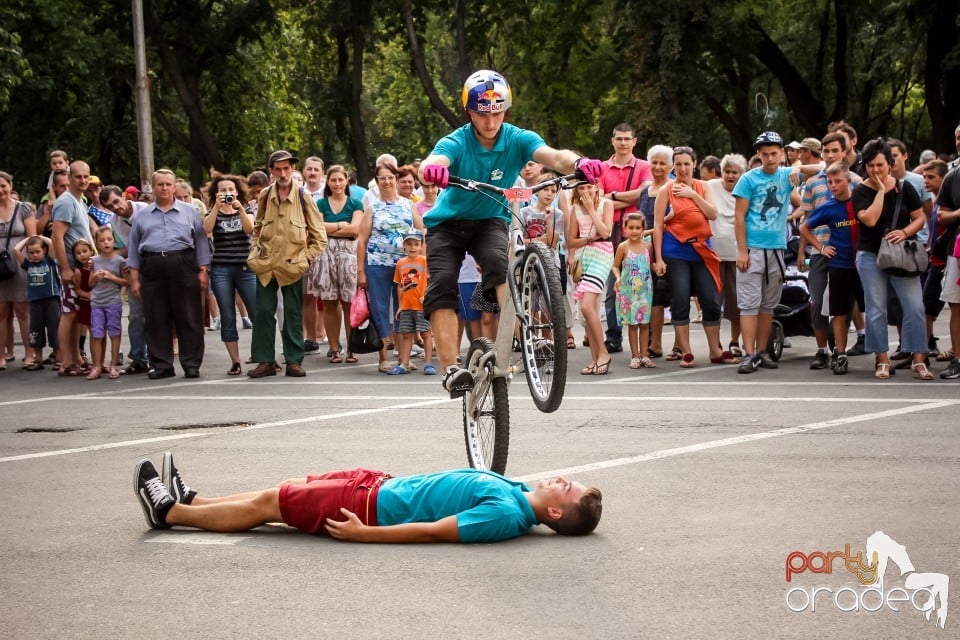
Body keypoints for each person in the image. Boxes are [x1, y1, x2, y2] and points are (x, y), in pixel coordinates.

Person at [417, 70, 604, 396]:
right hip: (446, 225)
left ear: (506, 112)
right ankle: (450, 368)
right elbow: (435, 160)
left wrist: (580, 163)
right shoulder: (457, 141)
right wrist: (432, 170)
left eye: (497, 113)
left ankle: (518, 340)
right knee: (443, 282)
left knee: (498, 264)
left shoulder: (518, 138)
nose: (490, 122)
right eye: (482, 114)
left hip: (489, 219)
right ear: (469, 113)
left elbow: (555, 156)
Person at [134, 452, 603, 542]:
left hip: (367, 507)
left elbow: (436, 531)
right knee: (282, 490)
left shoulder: (505, 516)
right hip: (375, 484)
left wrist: (365, 535)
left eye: (565, 487)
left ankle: (169, 512)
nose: (560, 478)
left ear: (556, 511)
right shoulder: (520, 493)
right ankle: (196, 501)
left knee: (271, 505)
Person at [851, 138, 929, 380]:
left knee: (915, 306)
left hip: (901, 255)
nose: (876, 170)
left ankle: (918, 359)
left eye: (881, 165)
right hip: (870, 255)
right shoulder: (861, 191)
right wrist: (882, 191)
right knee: (876, 309)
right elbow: (870, 220)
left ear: (890, 164)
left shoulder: (906, 188)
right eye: (871, 165)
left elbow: (920, 218)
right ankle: (881, 359)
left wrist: (905, 232)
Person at [247, 151, 327, 379]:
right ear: (271, 171)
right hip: (266, 263)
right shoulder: (264, 195)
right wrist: (255, 251)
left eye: (286, 169)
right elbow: (257, 227)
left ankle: (293, 361)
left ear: (292, 169)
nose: (282, 173)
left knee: (292, 313)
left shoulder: (304, 196)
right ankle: (265, 361)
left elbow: (319, 236)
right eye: (278, 169)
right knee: (263, 312)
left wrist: (306, 259)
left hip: (292, 264)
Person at [127, 169, 212, 380]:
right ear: (153, 187)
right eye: (160, 184)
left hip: (183, 264)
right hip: (152, 266)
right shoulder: (142, 215)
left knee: (190, 317)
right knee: (156, 318)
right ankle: (162, 364)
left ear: (174, 187)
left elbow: (201, 241)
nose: (164, 188)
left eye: (168, 184)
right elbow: (133, 248)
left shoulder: (189, 211)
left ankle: (191, 364)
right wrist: (135, 279)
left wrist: (203, 270)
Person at [653, 146, 732, 367]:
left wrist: (692, 194)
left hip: (700, 249)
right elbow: (658, 226)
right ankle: (686, 351)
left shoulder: (703, 186)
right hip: (675, 250)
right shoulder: (665, 190)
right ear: (673, 166)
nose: (683, 168)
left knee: (710, 299)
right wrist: (658, 259)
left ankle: (715, 350)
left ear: (694, 164)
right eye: (678, 164)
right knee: (680, 297)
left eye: (687, 164)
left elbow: (712, 213)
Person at [733, 132, 793, 374]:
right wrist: (742, 250)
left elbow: (821, 167)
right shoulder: (748, 179)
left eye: (774, 153)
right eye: (765, 154)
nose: (769, 158)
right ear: (758, 154)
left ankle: (762, 350)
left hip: (777, 248)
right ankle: (749, 353)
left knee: (768, 305)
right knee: (749, 304)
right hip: (753, 247)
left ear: (782, 154)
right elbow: (739, 217)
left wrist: (796, 167)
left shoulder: (787, 175)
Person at [357, 160, 425, 372]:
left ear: (396, 179)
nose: (386, 182)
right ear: (377, 182)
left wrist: (421, 260)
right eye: (382, 178)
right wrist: (361, 271)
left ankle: (404, 358)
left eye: (389, 177)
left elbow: (421, 229)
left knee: (404, 309)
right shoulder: (372, 208)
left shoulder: (407, 204)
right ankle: (383, 356)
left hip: (406, 267)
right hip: (378, 264)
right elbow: (361, 240)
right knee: (380, 308)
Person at [799, 163, 862, 375]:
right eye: (830, 181)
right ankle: (840, 353)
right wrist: (821, 247)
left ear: (849, 180)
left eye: (838, 181)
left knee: (872, 309)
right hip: (839, 265)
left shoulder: (860, 202)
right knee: (838, 311)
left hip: (864, 264)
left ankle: (881, 355)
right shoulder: (828, 206)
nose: (833, 185)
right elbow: (804, 227)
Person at [598, 123, 653, 354]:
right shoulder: (602, 167)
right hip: (609, 229)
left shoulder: (643, 166)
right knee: (613, 286)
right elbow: (598, 198)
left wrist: (612, 198)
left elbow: (645, 192)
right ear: (612, 141)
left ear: (634, 141)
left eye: (626, 139)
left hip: (636, 231)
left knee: (642, 284)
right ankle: (613, 336)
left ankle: (645, 335)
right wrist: (620, 200)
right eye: (618, 139)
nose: (622, 143)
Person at [203, 174, 257, 376]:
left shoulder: (247, 209)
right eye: (222, 190)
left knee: (256, 313)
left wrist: (240, 207)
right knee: (227, 315)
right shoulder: (212, 212)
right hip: (221, 269)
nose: (227, 193)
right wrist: (217, 208)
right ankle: (235, 361)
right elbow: (206, 231)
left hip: (245, 268)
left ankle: (262, 355)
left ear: (237, 192)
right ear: (216, 194)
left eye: (230, 190)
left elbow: (249, 228)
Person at [314, 165, 364, 364]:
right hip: (325, 255)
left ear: (346, 181)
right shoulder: (320, 203)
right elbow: (317, 228)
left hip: (349, 256)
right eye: (333, 180)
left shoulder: (355, 203)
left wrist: (331, 229)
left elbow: (355, 229)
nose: (337, 183)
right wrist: (340, 225)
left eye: (340, 180)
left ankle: (352, 347)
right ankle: (334, 349)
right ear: (328, 182)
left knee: (349, 303)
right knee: (329, 303)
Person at [99, 185, 150, 374]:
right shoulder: (114, 222)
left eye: (116, 202)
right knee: (136, 315)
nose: (116, 208)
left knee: (156, 314)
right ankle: (138, 358)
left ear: (123, 196)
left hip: (153, 266)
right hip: (135, 270)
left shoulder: (145, 210)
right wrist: (105, 259)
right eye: (110, 207)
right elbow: (124, 249)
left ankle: (157, 356)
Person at [51, 161, 93, 376]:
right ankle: (65, 360)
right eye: (78, 177)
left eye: (86, 176)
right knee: (68, 313)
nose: (83, 181)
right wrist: (66, 268)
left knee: (76, 313)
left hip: (80, 267)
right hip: (69, 265)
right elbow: (57, 236)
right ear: (69, 177)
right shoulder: (66, 202)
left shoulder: (79, 200)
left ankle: (76, 356)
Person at [567, 181, 614, 375]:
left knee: (587, 306)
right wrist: (587, 239)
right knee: (589, 310)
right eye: (581, 188)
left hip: (602, 255)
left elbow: (605, 232)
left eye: (588, 186)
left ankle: (603, 352)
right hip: (583, 258)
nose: (585, 191)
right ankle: (595, 358)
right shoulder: (574, 209)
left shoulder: (606, 204)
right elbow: (570, 240)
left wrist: (591, 210)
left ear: (596, 186)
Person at [705, 154, 746, 357]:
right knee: (712, 301)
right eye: (727, 172)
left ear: (741, 174)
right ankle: (715, 344)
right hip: (714, 254)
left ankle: (734, 340)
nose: (730, 176)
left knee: (736, 301)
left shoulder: (746, 189)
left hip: (737, 254)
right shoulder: (710, 186)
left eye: (735, 172)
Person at [637, 145, 675, 359]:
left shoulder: (672, 188)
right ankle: (649, 342)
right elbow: (638, 220)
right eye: (655, 162)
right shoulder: (645, 190)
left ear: (670, 165)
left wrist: (647, 233)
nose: (658, 167)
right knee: (647, 297)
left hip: (668, 247)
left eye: (663, 163)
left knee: (663, 296)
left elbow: (670, 221)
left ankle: (659, 343)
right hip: (644, 251)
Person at [0, 171, 37, 370]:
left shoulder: (23, 209)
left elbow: (33, 238)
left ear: (10, 186)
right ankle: (1, 357)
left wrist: (31, 264)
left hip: (20, 263)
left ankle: (30, 353)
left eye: (3, 185)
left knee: (23, 310)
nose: (0, 190)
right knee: (1, 311)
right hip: (0, 267)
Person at [613, 213, 654, 369]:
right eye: (631, 228)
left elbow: (650, 265)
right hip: (629, 291)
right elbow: (615, 265)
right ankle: (635, 356)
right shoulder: (623, 247)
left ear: (643, 229)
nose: (634, 231)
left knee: (644, 324)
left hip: (645, 291)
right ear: (625, 229)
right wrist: (617, 278)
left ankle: (644, 355)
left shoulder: (648, 246)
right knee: (632, 324)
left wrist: (656, 267)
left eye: (638, 228)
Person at [86, 226, 127, 380]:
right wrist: (95, 277)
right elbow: (89, 284)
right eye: (102, 241)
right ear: (97, 243)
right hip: (97, 303)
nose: (106, 243)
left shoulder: (119, 261)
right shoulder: (94, 261)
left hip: (113, 302)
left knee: (114, 333)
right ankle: (97, 365)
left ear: (114, 241)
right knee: (97, 334)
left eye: (109, 239)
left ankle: (114, 365)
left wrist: (111, 277)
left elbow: (126, 281)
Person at [388, 232, 432, 375]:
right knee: (406, 334)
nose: (412, 247)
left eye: (416, 244)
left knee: (425, 333)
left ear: (421, 246)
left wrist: (427, 296)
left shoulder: (425, 261)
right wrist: (400, 305)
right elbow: (399, 285)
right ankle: (404, 364)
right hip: (407, 306)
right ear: (404, 246)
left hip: (421, 305)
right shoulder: (401, 263)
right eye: (409, 244)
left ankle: (429, 363)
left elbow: (432, 281)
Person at [13, 235, 59, 369]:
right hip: (35, 302)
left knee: (54, 329)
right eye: (31, 253)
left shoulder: (49, 261)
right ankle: (38, 360)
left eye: (38, 251)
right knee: (36, 330)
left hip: (51, 300)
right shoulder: (28, 265)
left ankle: (58, 358)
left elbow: (52, 242)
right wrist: (28, 239)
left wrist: (39, 236)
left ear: (44, 250)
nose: (35, 255)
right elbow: (16, 250)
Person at [936, 164, 960, 379]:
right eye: (958, 138)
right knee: (956, 305)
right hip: (956, 248)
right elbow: (941, 216)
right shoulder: (953, 176)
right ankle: (957, 359)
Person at [301, 156, 328, 353]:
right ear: (303, 172)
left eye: (316, 169)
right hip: (303, 250)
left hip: (326, 249)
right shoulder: (297, 192)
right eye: (309, 169)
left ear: (322, 173)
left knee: (328, 297)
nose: (312, 172)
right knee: (307, 296)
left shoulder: (327, 193)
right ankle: (309, 338)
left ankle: (327, 335)